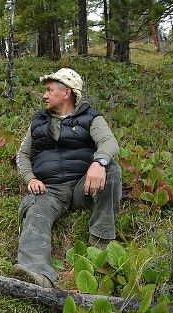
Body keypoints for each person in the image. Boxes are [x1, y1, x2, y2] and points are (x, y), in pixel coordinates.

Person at [11, 68, 122, 288]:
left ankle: (101, 241)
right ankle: (36, 271)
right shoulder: (38, 122)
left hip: (84, 186)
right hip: (50, 189)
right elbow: (23, 154)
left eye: (49, 90)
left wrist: (99, 163)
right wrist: (30, 178)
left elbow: (110, 143)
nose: (44, 95)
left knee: (112, 169)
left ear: (66, 93)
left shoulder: (91, 117)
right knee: (36, 211)